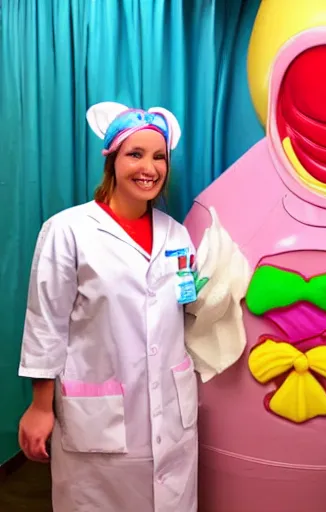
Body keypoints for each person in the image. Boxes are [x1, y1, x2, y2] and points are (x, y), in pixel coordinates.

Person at [17, 102, 199, 512]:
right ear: (112, 159)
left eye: (159, 157)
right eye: (135, 154)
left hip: (172, 414)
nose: (148, 167)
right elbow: (46, 323)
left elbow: (187, 311)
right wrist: (41, 406)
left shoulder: (178, 235)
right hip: (100, 416)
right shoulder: (68, 230)